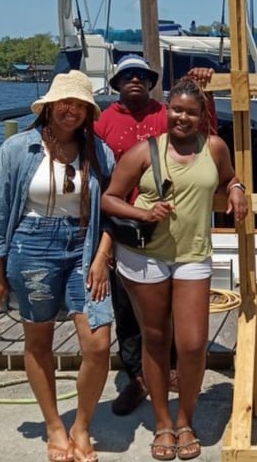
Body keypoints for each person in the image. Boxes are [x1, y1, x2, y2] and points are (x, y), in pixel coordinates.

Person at [101, 76, 248, 461]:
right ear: (167, 109)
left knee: (193, 343)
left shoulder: (213, 147)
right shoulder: (142, 152)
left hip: (193, 256)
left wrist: (236, 189)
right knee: (155, 339)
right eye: (177, 110)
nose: (182, 117)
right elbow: (110, 199)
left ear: (202, 116)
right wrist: (144, 212)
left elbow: (230, 176)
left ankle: (186, 419)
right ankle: (163, 422)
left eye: (191, 112)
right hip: (145, 257)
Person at [0, 70, 114, 462]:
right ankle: (55, 426)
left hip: (84, 245)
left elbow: (113, 210)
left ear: (89, 112)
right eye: (64, 102)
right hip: (31, 245)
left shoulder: (99, 153)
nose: (70, 110)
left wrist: (102, 257)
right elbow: (0, 211)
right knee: (38, 341)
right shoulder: (19, 149)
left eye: (79, 105)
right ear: (50, 105)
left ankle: (82, 424)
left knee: (99, 343)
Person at [94, 54, 216, 416]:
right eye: (127, 75)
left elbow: (200, 125)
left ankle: (172, 373)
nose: (135, 80)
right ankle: (137, 380)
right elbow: (102, 183)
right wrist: (105, 243)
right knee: (131, 319)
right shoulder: (104, 122)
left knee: (177, 328)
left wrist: (203, 85)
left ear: (151, 84)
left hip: (173, 232)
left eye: (142, 76)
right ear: (116, 83)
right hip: (125, 230)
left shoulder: (165, 114)